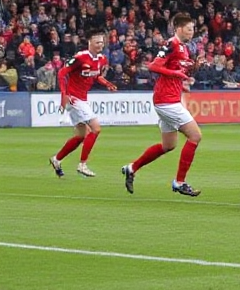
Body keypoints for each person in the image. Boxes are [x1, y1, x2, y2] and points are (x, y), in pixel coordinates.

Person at [122, 13, 203, 196]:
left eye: (193, 29)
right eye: (189, 29)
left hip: (171, 98)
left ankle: (131, 168)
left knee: (168, 145)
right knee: (195, 136)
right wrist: (176, 75)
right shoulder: (171, 44)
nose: (192, 32)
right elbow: (153, 66)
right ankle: (179, 182)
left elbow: (180, 69)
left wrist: (194, 67)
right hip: (166, 101)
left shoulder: (183, 48)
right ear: (179, 28)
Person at [49, 28, 117, 178]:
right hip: (73, 98)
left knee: (80, 135)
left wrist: (107, 83)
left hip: (82, 98)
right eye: (97, 41)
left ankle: (57, 159)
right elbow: (62, 73)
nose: (100, 44)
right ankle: (83, 164)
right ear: (89, 42)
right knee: (96, 128)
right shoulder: (80, 57)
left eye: (102, 42)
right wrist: (64, 95)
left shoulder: (101, 59)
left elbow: (96, 76)